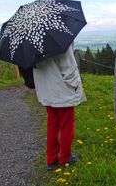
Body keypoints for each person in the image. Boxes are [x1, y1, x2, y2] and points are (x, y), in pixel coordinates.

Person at [33, 43, 86, 171]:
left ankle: (51, 160)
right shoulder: (61, 43)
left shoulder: (32, 45)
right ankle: (65, 157)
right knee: (67, 126)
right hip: (63, 93)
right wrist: (76, 87)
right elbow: (70, 70)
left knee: (52, 125)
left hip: (47, 92)